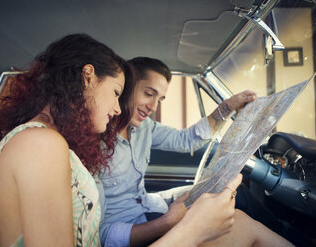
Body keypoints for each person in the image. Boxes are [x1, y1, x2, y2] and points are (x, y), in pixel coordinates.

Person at [0, 33, 250, 247]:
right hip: (126, 233)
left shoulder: (52, 142)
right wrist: (190, 230)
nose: (116, 107)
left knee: (241, 225)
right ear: (87, 77)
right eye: (115, 92)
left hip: (143, 216)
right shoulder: (40, 144)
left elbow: (187, 140)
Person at [97, 57, 293, 247]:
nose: (153, 107)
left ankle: (288, 232)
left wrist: (227, 107)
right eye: (149, 94)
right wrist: (167, 221)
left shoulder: (145, 127)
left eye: (160, 99)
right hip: (136, 228)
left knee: (231, 191)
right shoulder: (93, 147)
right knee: (238, 221)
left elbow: (186, 140)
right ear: (126, 87)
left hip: (150, 204)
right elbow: (103, 234)